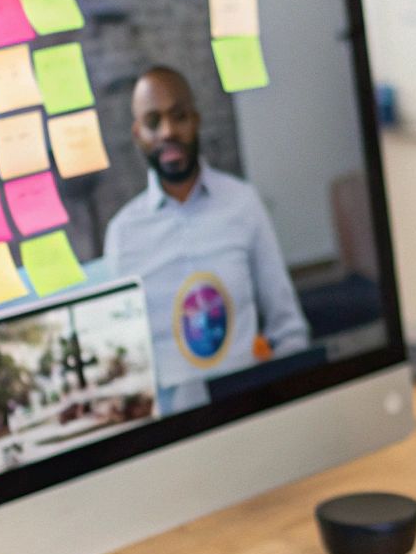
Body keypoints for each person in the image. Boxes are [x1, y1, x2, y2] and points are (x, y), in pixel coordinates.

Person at [103, 66, 310, 414]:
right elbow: (122, 362)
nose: (168, 131)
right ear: (139, 134)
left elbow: (288, 329)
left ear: (196, 120)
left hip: (252, 410)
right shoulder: (123, 234)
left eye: (179, 116)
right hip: (172, 433)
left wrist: (288, 407)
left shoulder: (243, 203)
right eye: (154, 122)